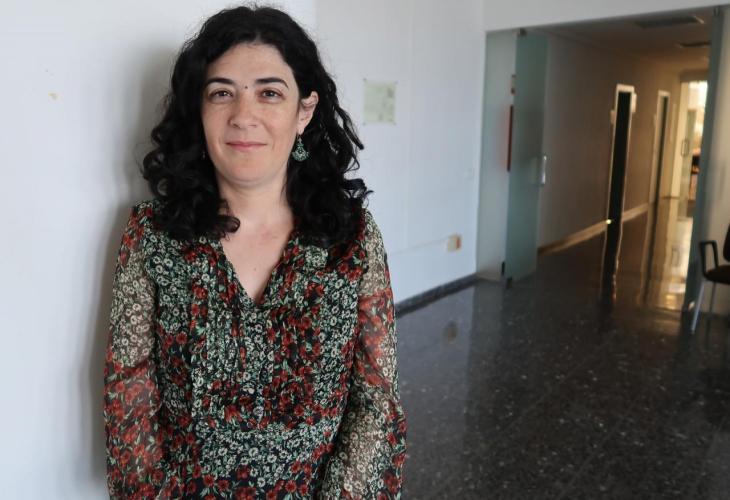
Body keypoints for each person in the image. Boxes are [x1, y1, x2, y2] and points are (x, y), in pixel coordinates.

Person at [103, 5, 407, 499]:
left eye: (269, 93)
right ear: (199, 111)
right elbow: (128, 392)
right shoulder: (152, 234)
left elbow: (375, 399)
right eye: (222, 93)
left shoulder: (351, 237)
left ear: (304, 111)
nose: (244, 116)